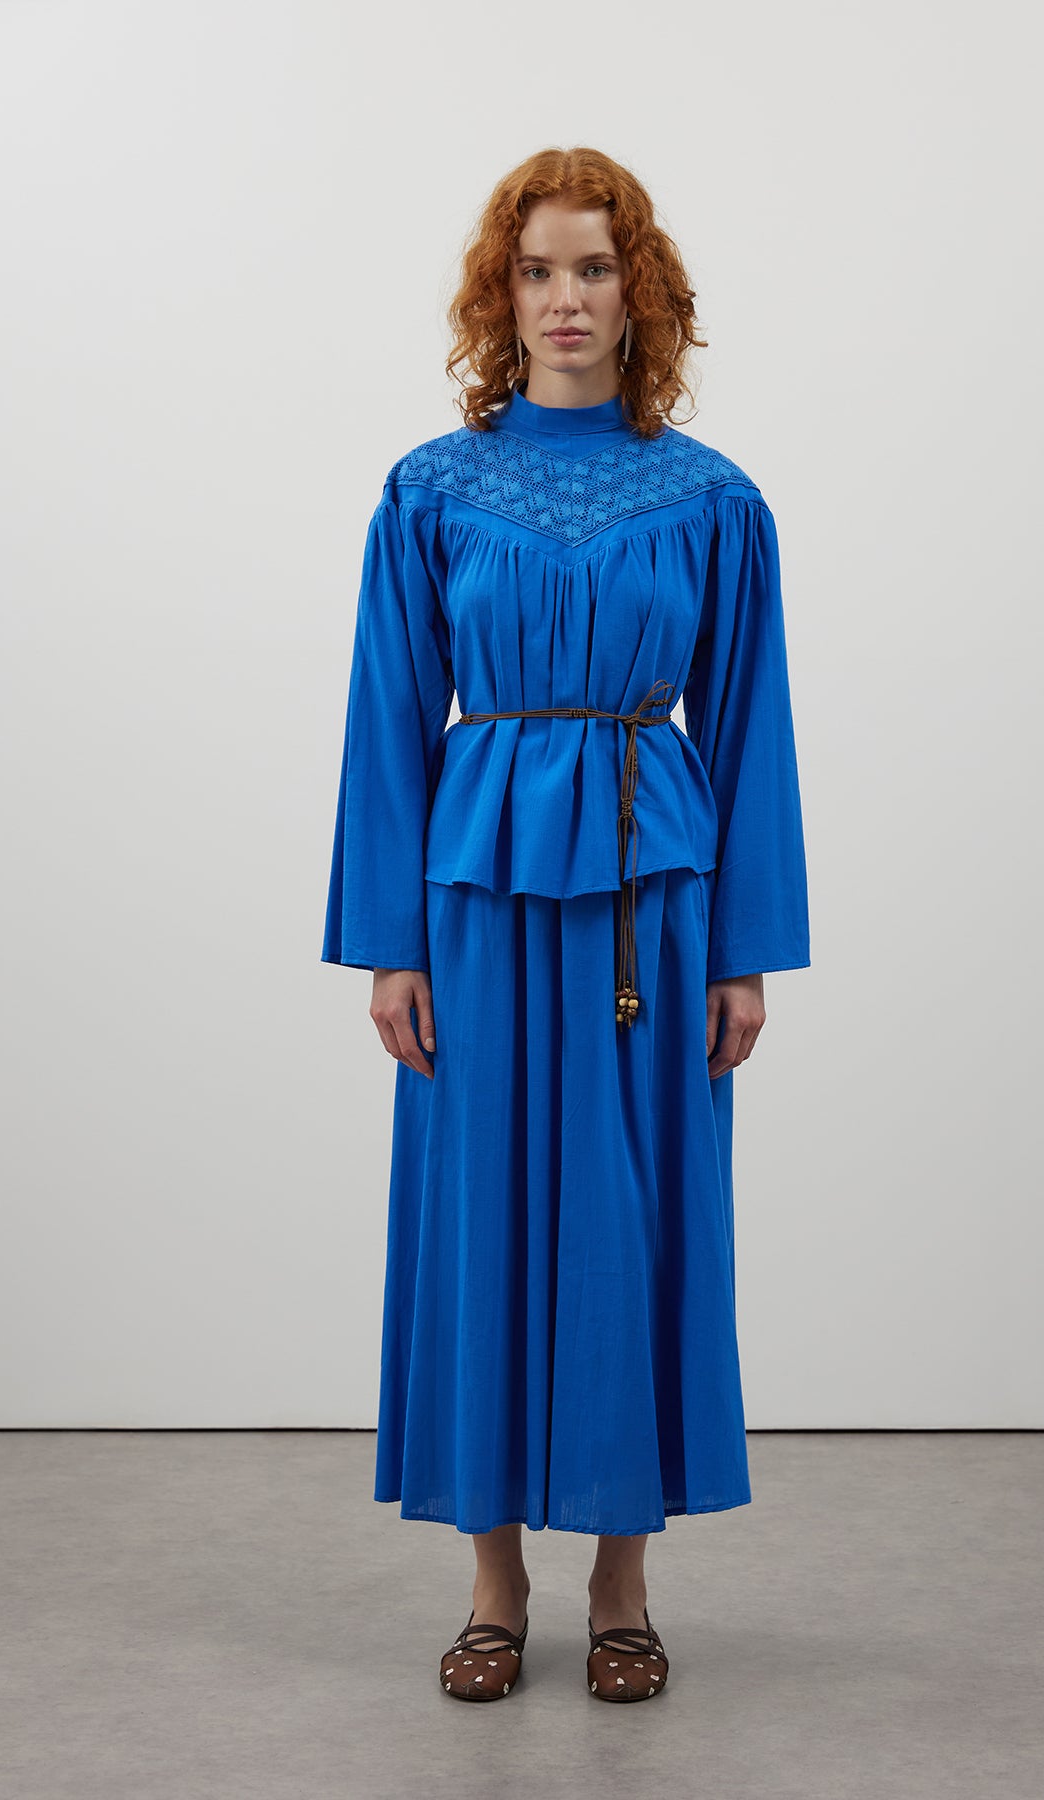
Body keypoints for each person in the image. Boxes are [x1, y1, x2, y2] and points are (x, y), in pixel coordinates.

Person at [321, 146, 810, 1704]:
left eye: (594, 267)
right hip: (474, 903)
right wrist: (388, 943)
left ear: (638, 290)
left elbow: (750, 731)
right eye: (537, 270)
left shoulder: (713, 500)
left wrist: (745, 951)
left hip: (652, 917)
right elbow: (389, 723)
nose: (566, 298)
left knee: (630, 1215)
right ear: (503, 294)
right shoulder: (431, 490)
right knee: (479, 1212)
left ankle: (621, 1587)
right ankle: (491, 1585)